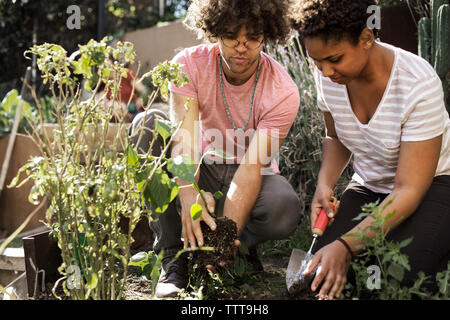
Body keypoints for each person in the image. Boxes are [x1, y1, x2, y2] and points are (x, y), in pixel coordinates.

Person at [129, 0, 302, 298]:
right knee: (146, 124)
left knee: (284, 207)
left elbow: (252, 168)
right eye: (231, 35)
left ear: (268, 35)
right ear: (213, 31)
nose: (241, 47)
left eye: (253, 37)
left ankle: (232, 250)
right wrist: (188, 190)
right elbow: (185, 139)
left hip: (248, 174)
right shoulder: (188, 64)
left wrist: (224, 237)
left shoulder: (282, 91)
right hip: (202, 166)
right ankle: (174, 256)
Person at [291, 0, 450, 300]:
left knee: (396, 278)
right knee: (313, 281)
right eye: (317, 62)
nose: (325, 72)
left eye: (334, 59)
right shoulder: (328, 74)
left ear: (366, 38)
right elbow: (335, 136)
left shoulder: (418, 83)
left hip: (432, 186)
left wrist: (347, 246)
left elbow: (408, 190)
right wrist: (325, 183)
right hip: (370, 186)